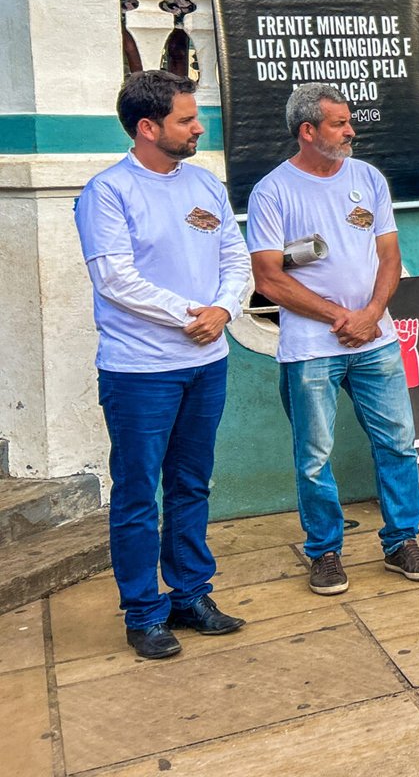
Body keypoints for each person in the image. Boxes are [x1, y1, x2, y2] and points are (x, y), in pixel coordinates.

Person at [73, 71, 249, 659]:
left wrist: (223, 310)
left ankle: (190, 594)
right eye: (185, 119)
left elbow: (234, 256)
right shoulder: (107, 193)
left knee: (192, 483)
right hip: (139, 371)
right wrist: (188, 313)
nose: (198, 127)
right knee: (136, 494)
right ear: (148, 128)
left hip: (208, 359)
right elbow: (115, 277)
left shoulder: (205, 184)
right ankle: (144, 613)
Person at [248, 84, 419, 595]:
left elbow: (390, 256)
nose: (351, 129)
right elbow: (267, 277)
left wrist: (372, 313)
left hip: (376, 339)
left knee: (397, 443)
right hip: (311, 349)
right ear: (308, 130)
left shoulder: (368, 178)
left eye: (349, 120)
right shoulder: (272, 191)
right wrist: (341, 317)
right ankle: (325, 552)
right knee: (314, 455)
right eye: (339, 123)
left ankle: (402, 541)